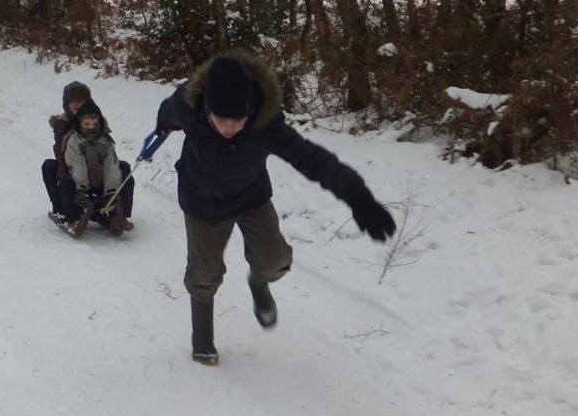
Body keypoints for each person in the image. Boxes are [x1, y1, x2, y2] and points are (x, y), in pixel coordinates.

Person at [149, 50, 396, 365]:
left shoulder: (266, 124)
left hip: (251, 198)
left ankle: (259, 283)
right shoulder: (188, 105)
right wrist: (162, 125)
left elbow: (313, 159)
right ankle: (203, 339)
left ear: (250, 110)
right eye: (220, 119)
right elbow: (167, 110)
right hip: (202, 203)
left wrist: (358, 197)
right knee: (203, 275)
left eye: (237, 119)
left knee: (275, 260)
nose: (228, 128)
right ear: (206, 108)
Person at [58, 101, 135, 236]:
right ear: (80, 124)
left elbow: (111, 165)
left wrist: (111, 190)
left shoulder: (105, 141)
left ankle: (118, 217)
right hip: (80, 183)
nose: (90, 128)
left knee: (125, 170)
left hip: (101, 182)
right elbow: (76, 165)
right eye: (86, 124)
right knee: (66, 181)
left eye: (94, 124)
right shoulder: (74, 140)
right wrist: (81, 188)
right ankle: (73, 218)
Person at [42, 80, 92, 221]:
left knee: (124, 168)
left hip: (94, 166)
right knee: (50, 167)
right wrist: (67, 168)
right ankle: (62, 211)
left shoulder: (95, 120)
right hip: (69, 164)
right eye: (72, 101)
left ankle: (118, 216)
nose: (75, 104)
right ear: (67, 103)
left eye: (79, 101)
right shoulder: (62, 123)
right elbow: (59, 150)